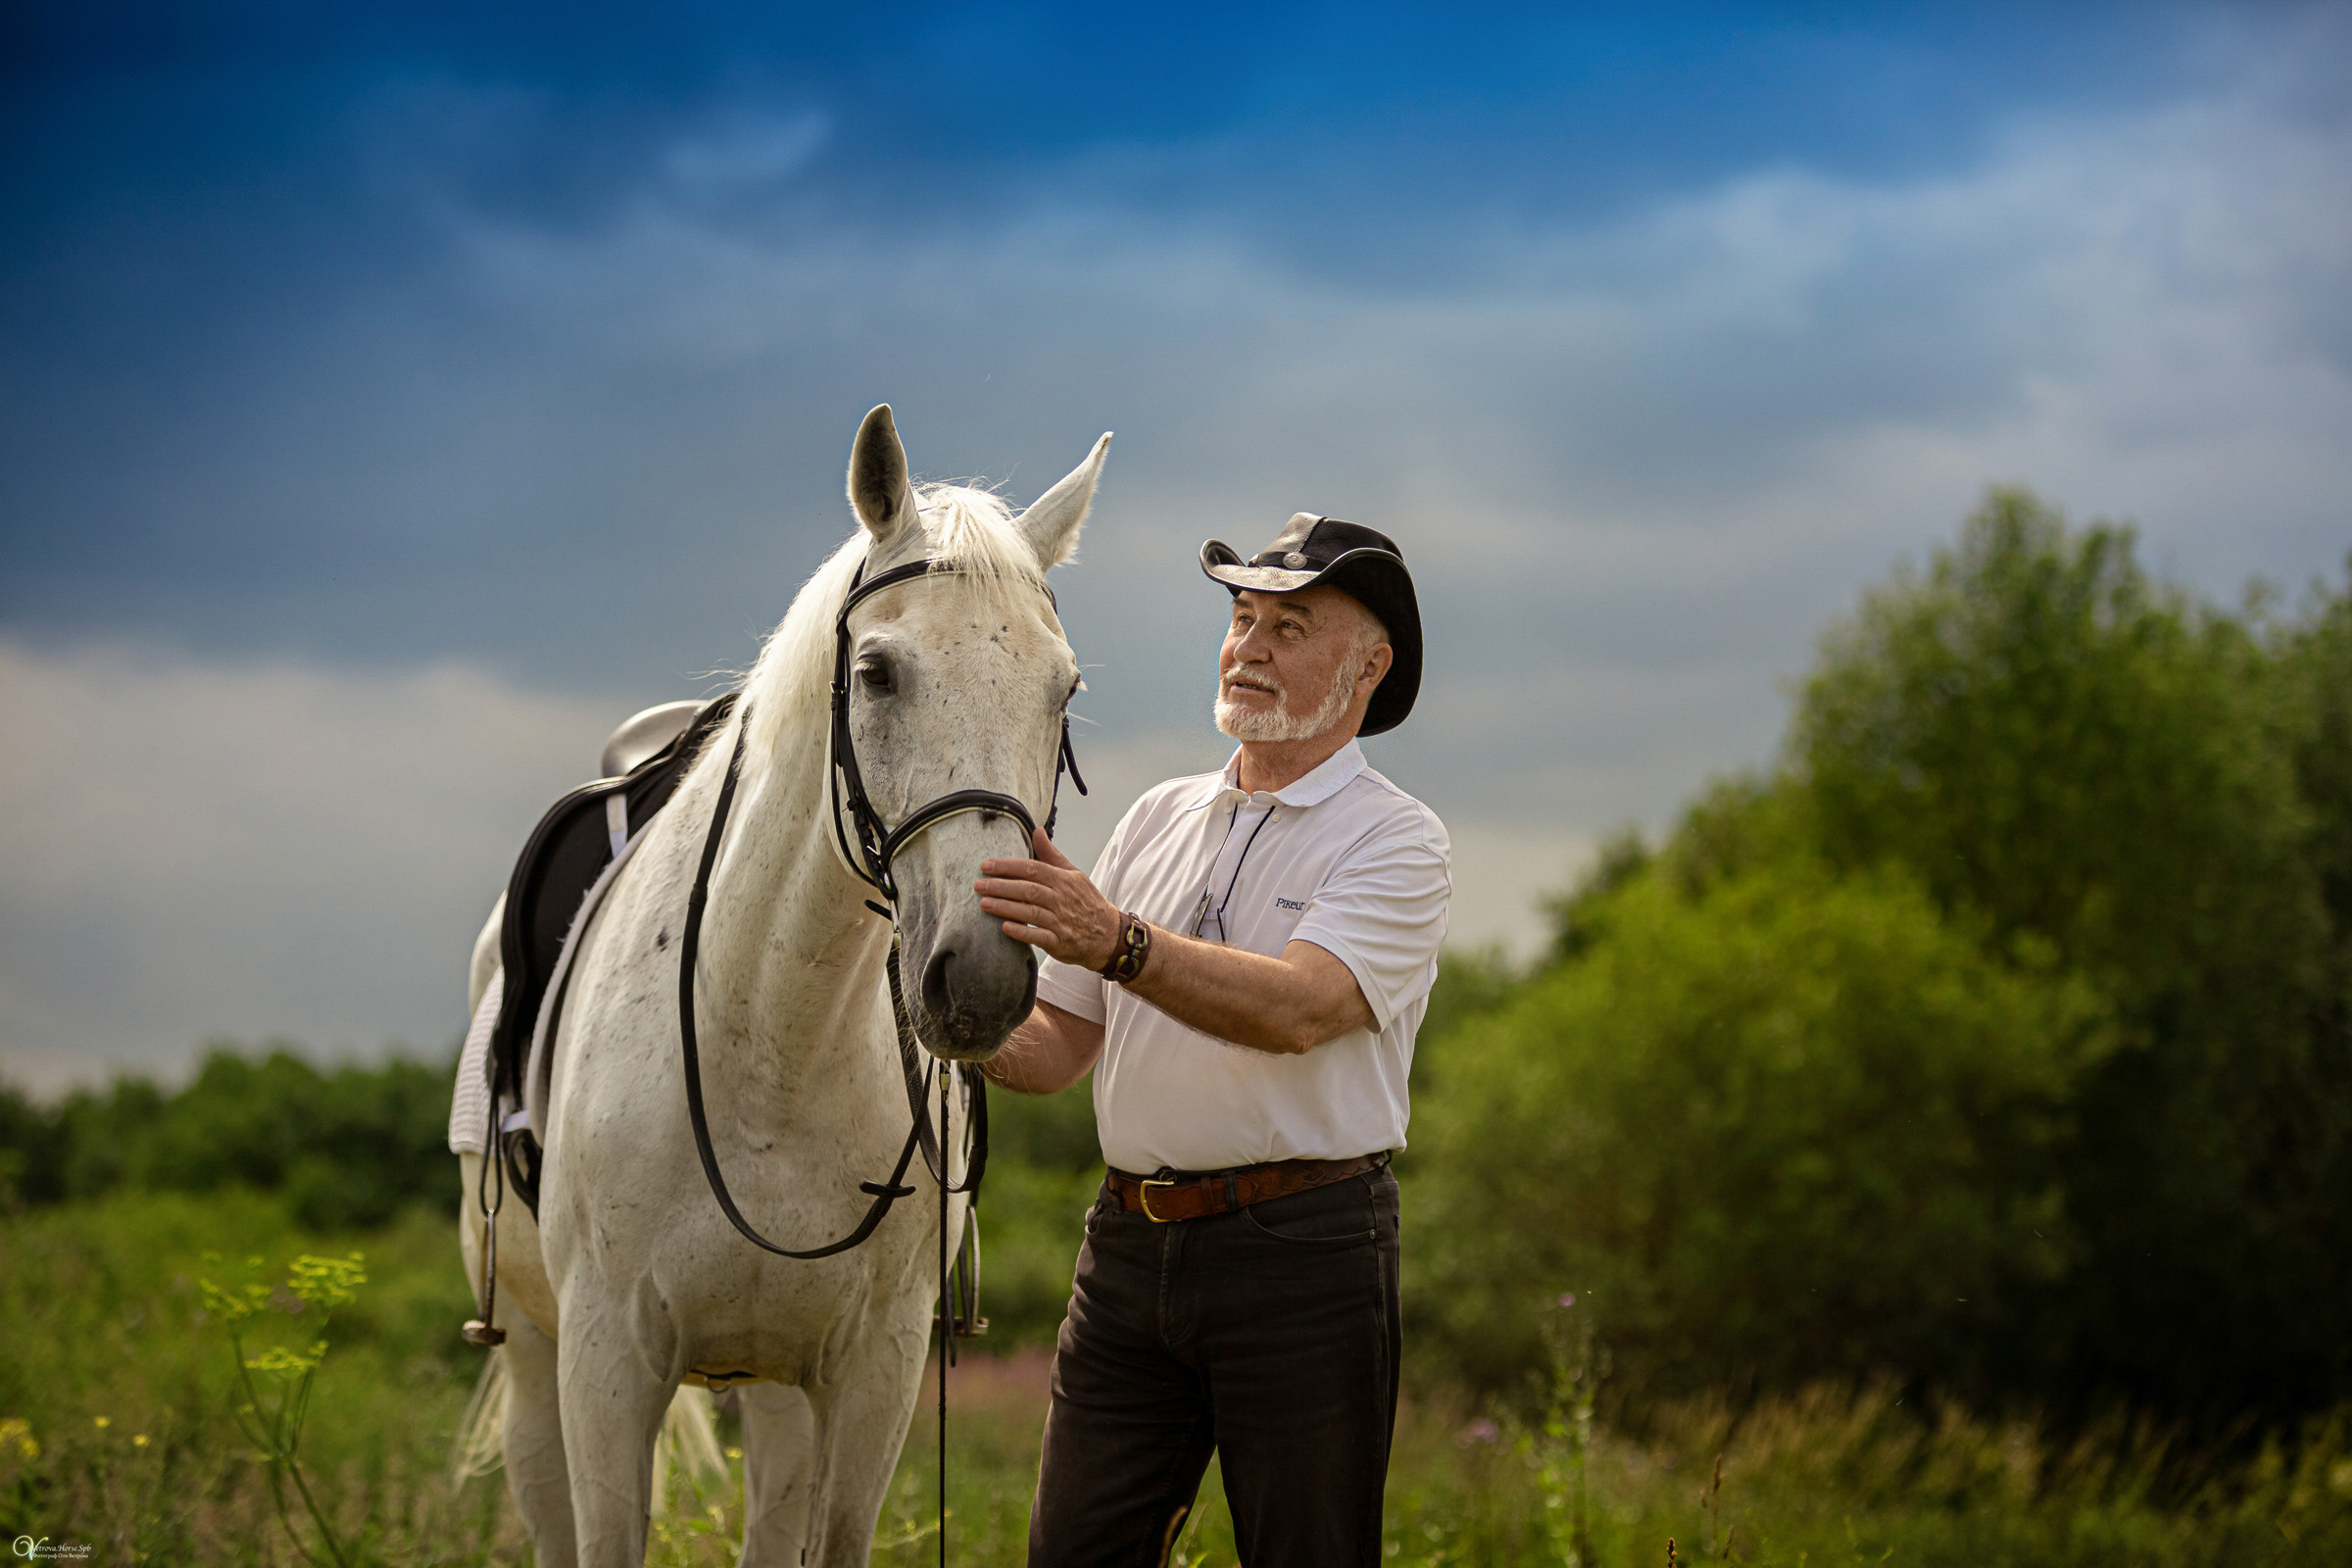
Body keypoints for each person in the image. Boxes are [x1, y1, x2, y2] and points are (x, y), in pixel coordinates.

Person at [974, 513, 1451, 1568]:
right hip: (1126, 1247)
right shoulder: (1155, 814)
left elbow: (1300, 1009)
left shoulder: (1395, 836)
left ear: (1370, 665)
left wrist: (1118, 939)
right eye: (1242, 618)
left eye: (1291, 625)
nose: (1250, 647)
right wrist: (950, 1023)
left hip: (1303, 1254)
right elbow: (1055, 1047)